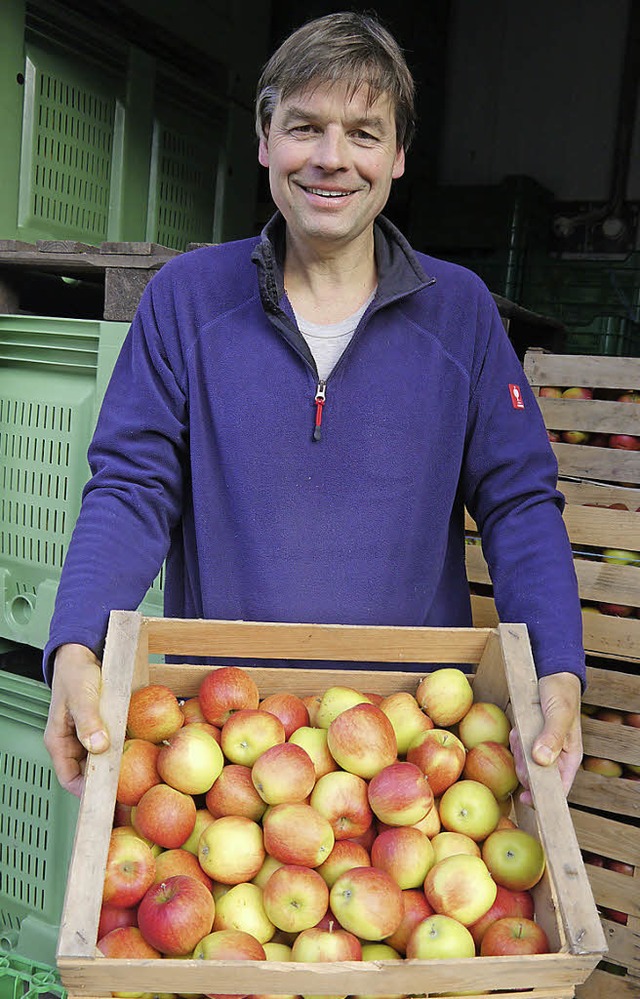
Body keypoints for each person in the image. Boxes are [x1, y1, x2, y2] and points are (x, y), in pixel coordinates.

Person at [43, 11, 584, 802]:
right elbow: (131, 487)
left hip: (415, 760)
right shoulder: (186, 303)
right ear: (264, 140)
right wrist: (76, 645)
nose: (332, 160)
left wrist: (558, 671)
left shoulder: (460, 314)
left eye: (364, 133)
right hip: (223, 753)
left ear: (398, 156)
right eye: (305, 127)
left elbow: (520, 502)